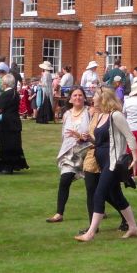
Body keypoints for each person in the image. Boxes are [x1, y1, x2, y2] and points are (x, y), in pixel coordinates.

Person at [75, 88, 137, 241]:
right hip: (102, 161)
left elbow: (130, 137)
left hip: (113, 162)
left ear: (103, 98)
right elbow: (101, 141)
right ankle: (133, 227)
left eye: (95, 95)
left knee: (99, 194)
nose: (92, 98)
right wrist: (89, 138)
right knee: (116, 196)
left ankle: (90, 233)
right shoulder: (101, 115)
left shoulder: (115, 115)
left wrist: (135, 158)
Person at [46, 87, 93, 223]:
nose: (78, 97)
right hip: (70, 154)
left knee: (92, 186)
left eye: (80, 95)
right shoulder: (66, 114)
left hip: (87, 153)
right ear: (71, 99)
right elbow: (64, 135)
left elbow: (94, 132)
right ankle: (59, 213)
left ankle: (98, 210)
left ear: (84, 98)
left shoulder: (89, 112)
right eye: (75, 95)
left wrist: (82, 137)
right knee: (64, 180)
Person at [0, 73, 29, 174]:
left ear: (5, 83)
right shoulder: (15, 93)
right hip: (15, 120)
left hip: (6, 122)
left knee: (6, 144)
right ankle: (14, 164)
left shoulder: (5, 95)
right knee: (14, 143)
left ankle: (6, 167)